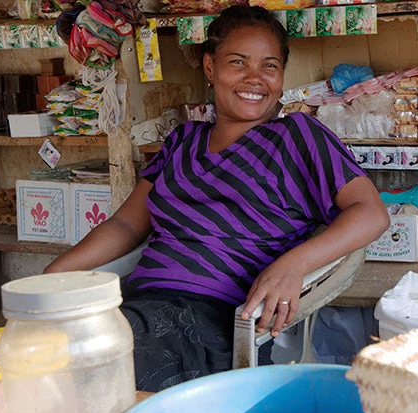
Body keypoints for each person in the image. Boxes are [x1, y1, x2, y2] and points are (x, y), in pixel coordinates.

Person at [44, 6, 390, 392]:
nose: (254, 79)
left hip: (211, 321)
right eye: (238, 63)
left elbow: (371, 214)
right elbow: (127, 224)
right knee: (44, 357)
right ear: (210, 68)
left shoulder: (299, 136)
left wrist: (295, 264)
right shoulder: (182, 141)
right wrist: (54, 277)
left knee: (92, 380)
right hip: (140, 307)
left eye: (269, 66)